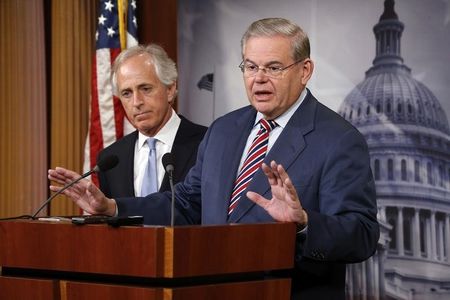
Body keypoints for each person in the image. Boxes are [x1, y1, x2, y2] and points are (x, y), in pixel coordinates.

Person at [49, 18, 379, 299]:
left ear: (305, 70)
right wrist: (113, 208)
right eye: (250, 66)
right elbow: (187, 202)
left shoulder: (339, 140)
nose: (258, 77)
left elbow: (362, 234)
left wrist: (304, 223)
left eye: (273, 67)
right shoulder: (224, 129)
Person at [97, 44, 206, 198]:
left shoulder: (208, 143)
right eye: (127, 93)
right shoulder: (111, 159)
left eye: (145, 89)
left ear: (170, 89)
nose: (136, 102)